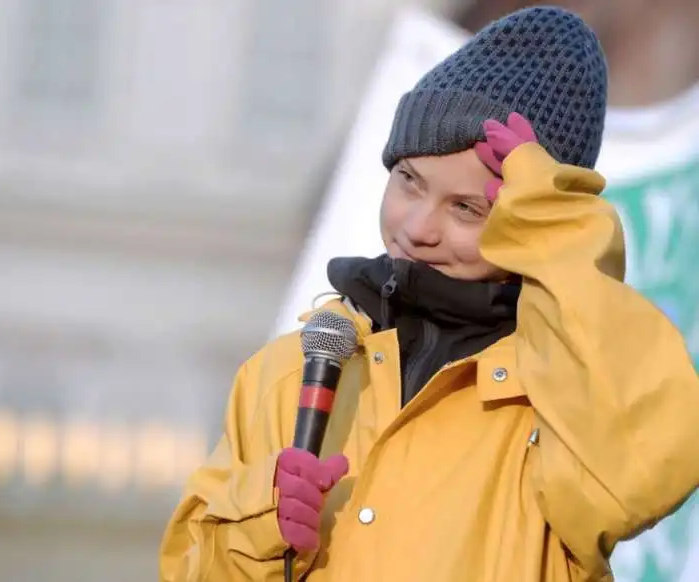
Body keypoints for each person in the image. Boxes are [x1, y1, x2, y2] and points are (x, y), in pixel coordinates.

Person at [159, 7, 699, 581]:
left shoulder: (561, 397)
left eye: (467, 208)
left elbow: (650, 462)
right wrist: (257, 526)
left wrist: (553, 220)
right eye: (408, 181)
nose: (417, 227)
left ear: (531, 221)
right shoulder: (291, 370)